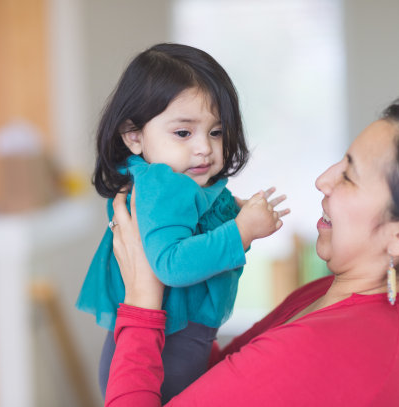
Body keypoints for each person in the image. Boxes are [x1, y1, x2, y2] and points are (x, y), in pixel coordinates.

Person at [105, 95, 399, 406]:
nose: (323, 180)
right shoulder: (343, 296)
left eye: (349, 177)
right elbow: (219, 381)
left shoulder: (327, 349)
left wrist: (142, 303)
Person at [75, 43, 289, 402]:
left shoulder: (183, 184)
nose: (205, 147)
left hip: (175, 351)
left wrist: (234, 211)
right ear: (134, 136)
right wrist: (242, 230)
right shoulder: (163, 183)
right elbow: (170, 264)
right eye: (184, 133)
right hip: (161, 359)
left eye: (216, 132)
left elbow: (196, 221)